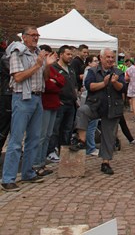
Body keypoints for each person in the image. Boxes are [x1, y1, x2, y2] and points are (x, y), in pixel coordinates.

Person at [1, 26, 57, 191]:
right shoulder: (17, 52)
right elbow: (17, 77)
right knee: (16, 140)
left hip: (38, 97)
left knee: (34, 138)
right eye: (32, 35)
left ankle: (28, 172)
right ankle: (8, 178)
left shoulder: (37, 52)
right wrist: (38, 65)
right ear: (24, 37)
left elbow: (45, 78)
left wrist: (46, 66)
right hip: (22, 98)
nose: (36, 37)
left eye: (37, 35)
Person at [70, 48, 127, 175]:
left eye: (112, 57)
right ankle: (82, 141)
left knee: (109, 136)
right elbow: (89, 86)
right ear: (101, 58)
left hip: (112, 108)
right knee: (83, 111)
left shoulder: (118, 72)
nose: (110, 59)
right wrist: (104, 83)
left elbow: (123, 88)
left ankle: (105, 163)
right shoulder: (92, 71)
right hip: (95, 105)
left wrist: (115, 82)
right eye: (108, 57)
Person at [33, 44, 65, 176]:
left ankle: (42, 162)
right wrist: (54, 83)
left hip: (53, 104)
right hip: (45, 104)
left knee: (47, 135)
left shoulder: (52, 68)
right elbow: (47, 85)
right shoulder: (41, 67)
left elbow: (62, 82)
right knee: (41, 136)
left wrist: (55, 81)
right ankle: (36, 164)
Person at [47, 45, 78, 162]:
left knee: (67, 128)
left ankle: (64, 151)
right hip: (59, 102)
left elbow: (74, 85)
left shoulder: (71, 69)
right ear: (61, 55)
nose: (70, 57)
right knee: (55, 128)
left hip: (71, 103)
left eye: (71, 54)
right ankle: (51, 151)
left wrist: (76, 98)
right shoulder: (53, 67)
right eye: (68, 54)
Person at [81, 55, 100, 156]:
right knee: (92, 125)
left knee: (92, 125)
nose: (97, 63)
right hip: (90, 101)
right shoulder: (90, 71)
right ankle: (90, 147)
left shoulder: (89, 71)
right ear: (89, 63)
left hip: (88, 100)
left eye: (97, 61)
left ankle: (90, 146)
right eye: (95, 61)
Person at [0, 46, 12, 156]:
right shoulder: (5, 59)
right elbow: (14, 72)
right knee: (4, 127)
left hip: (9, 94)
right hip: (6, 95)